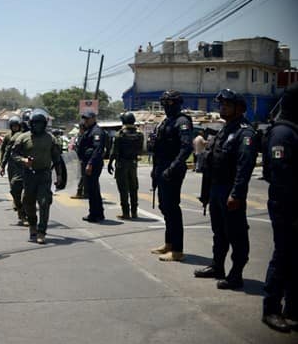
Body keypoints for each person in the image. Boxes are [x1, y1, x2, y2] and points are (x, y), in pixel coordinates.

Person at [194, 89, 257, 288]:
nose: (223, 108)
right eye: (221, 105)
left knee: (236, 233)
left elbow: (244, 165)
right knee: (219, 231)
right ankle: (217, 266)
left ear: (239, 108)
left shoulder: (245, 132)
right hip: (216, 188)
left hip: (230, 190)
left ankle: (236, 274)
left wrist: (236, 193)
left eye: (227, 105)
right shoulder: (225, 129)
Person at [261, 83, 298, 332]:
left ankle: (292, 308)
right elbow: (280, 174)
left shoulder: (292, 131)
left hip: (292, 204)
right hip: (287, 205)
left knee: (295, 257)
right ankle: (271, 309)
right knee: (283, 255)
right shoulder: (282, 134)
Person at [150, 90, 193, 262]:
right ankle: (168, 243)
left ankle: (177, 250)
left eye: (170, 103)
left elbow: (186, 148)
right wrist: (155, 170)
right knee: (164, 207)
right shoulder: (166, 121)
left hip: (172, 169)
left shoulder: (182, 122)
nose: (166, 106)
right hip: (161, 167)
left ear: (177, 103)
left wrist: (172, 168)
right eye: (165, 103)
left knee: (173, 208)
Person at [11, 108, 62, 244]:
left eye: (40, 123)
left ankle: (41, 231)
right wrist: (24, 161)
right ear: (31, 123)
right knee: (29, 203)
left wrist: (59, 176)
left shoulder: (51, 139)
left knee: (44, 202)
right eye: (35, 123)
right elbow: (14, 154)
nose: (37, 126)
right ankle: (32, 225)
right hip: (29, 175)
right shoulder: (22, 138)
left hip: (44, 175)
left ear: (44, 124)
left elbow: (57, 159)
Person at [107, 112, 143, 219]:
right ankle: (134, 212)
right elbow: (140, 150)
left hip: (122, 164)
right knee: (133, 188)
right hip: (133, 164)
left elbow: (114, 151)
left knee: (123, 188)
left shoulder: (120, 134)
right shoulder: (139, 134)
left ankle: (126, 212)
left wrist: (110, 163)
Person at [79, 110, 107, 223]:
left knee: (92, 189)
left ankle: (94, 214)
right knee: (93, 189)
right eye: (84, 118)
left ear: (93, 119)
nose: (85, 121)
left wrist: (90, 163)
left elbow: (97, 149)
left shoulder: (96, 132)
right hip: (89, 162)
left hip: (93, 164)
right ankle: (98, 213)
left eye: (87, 118)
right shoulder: (89, 130)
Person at [0, 115, 26, 224]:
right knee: (13, 186)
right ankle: (17, 202)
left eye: (17, 126)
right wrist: (2, 164)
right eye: (13, 126)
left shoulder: (24, 136)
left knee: (25, 187)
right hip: (12, 164)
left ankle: (22, 209)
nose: (15, 128)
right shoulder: (8, 137)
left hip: (23, 165)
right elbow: (5, 150)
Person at [70, 121, 88, 199]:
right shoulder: (87, 135)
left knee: (82, 176)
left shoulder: (83, 136)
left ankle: (80, 192)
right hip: (85, 159)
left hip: (83, 159)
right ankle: (86, 192)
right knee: (85, 176)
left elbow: (81, 149)